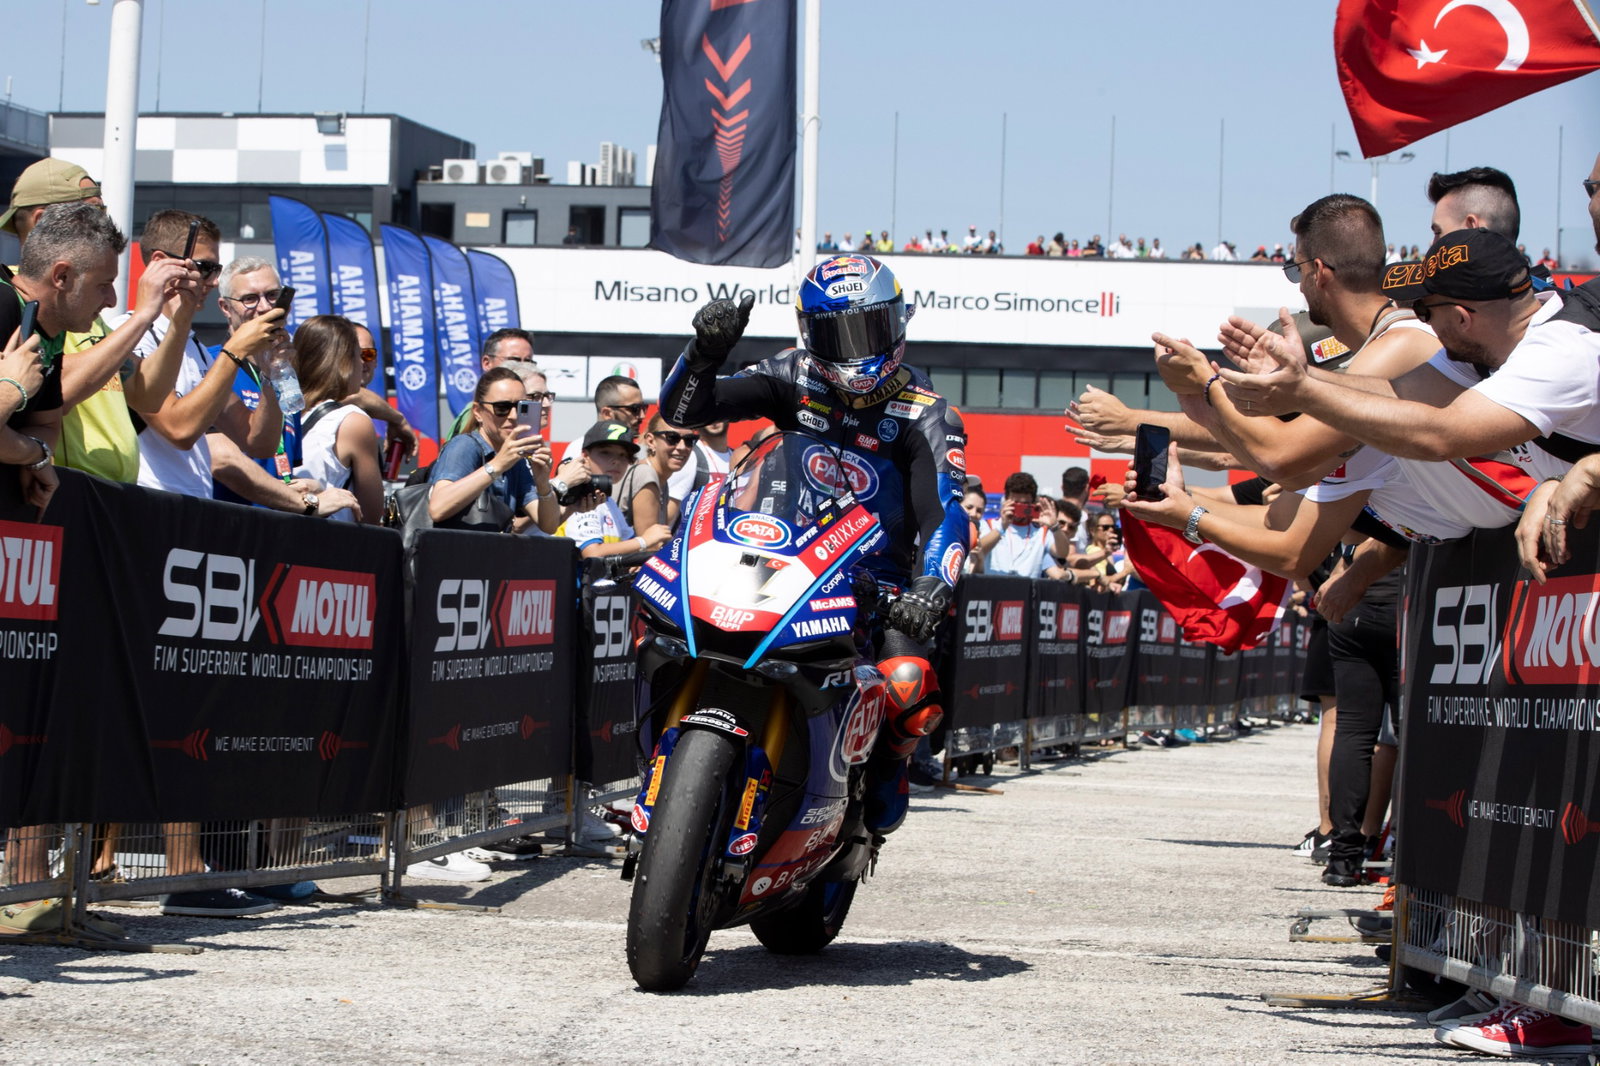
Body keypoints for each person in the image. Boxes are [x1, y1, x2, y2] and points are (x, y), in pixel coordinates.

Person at [660, 253, 970, 837]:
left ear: (898, 323)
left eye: (868, 329)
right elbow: (685, 411)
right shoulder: (791, 375)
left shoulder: (927, 415)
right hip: (782, 560)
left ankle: (886, 768)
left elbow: (945, 513)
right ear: (809, 332)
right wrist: (704, 352)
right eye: (837, 333)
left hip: (873, 585)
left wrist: (931, 585)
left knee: (906, 683)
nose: (855, 350)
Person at [428, 366, 559, 534]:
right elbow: (437, 508)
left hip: (490, 556)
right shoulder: (465, 446)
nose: (512, 416)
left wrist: (543, 484)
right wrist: (497, 465)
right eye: (501, 408)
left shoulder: (516, 461)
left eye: (520, 407)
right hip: (454, 556)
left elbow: (549, 525)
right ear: (478, 412)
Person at [291, 316, 384, 525]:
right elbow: (370, 514)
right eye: (356, 354)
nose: (362, 362)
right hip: (331, 548)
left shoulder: (279, 410)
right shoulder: (352, 421)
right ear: (342, 362)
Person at [554, 420, 671, 559]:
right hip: (577, 580)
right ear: (585, 455)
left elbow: (628, 543)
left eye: (623, 455)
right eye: (605, 452)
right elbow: (592, 553)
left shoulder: (607, 500)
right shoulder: (579, 495)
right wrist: (643, 541)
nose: (616, 460)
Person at [444, 327, 537, 440]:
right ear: (487, 363)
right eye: (514, 360)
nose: (523, 367)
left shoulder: (532, 408)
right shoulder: (474, 415)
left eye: (528, 361)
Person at [978, 472, 1067, 578]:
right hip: (995, 589)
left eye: (1025, 504)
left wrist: (1055, 526)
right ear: (1006, 499)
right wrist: (1003, 526)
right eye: (1015, 503)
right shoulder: (989, 525)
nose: (1019, 508)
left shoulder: (1041, 532)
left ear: (1033, 503)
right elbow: (980, 549)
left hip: (1027, 591)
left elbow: (1062, 553)